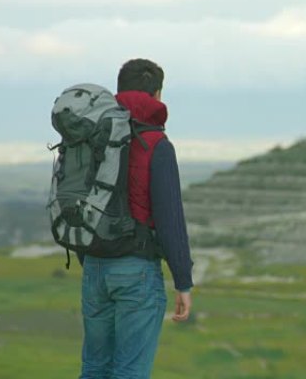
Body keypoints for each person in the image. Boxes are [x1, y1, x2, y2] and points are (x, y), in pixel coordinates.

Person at [79, 58, 194, 379]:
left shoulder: (92, 138)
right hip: (136, 270)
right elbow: (171, 220)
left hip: (94, 265)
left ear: (119, 92)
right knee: (129, 372)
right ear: (157, 95)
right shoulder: (157, 144)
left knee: (94, 367)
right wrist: (182, 281)